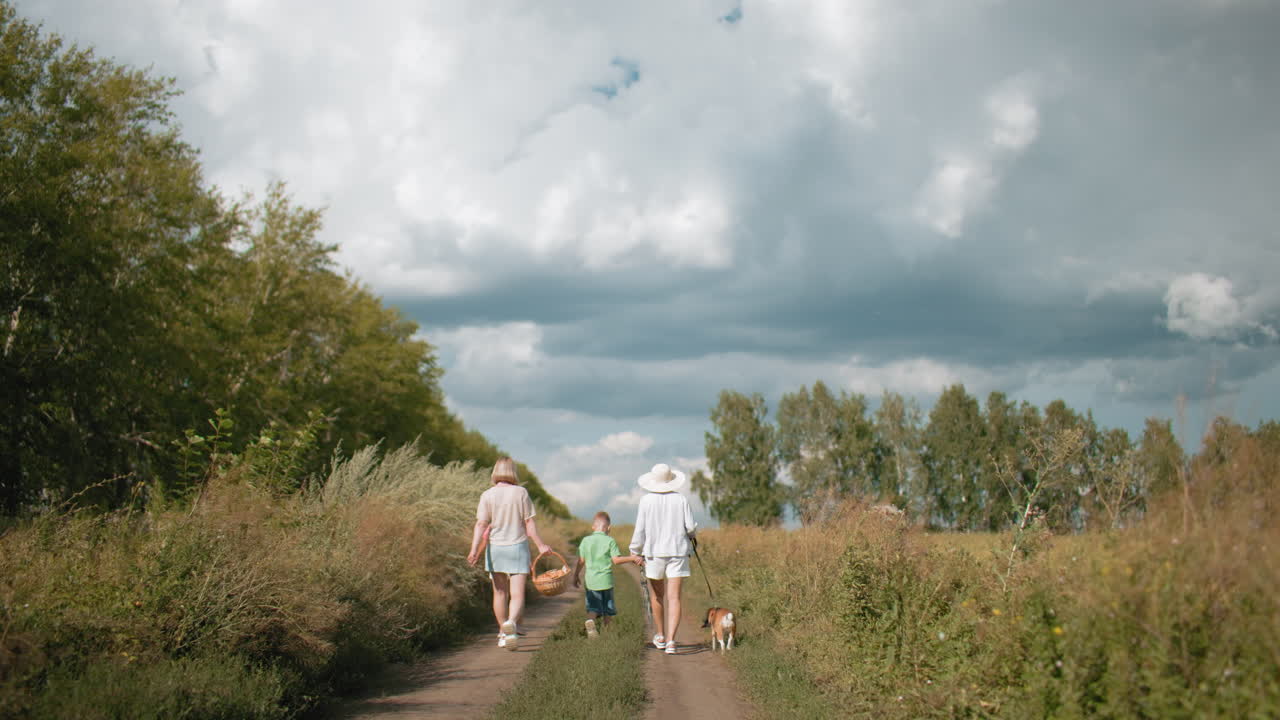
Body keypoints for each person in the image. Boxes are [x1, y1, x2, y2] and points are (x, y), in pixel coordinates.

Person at [467, 457, 552, 651]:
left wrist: (473, 550)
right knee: (517, 594)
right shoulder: (521, 493)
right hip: (517, 547)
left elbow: (480, 524)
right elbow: (529, 524)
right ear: (513, 472)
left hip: (495, 548)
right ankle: (512, 624)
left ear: (495, 471)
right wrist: (540, 545)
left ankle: (502, 632)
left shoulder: (487, 495)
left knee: (499, 593)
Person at [629, 463, 697, 655]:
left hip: (654, 553)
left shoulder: (646, 501)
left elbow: (640, 530)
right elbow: (690, 528)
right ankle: (672, 641)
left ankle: (660, 634)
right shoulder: (681, 499)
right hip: (677, 551)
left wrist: (635, 550)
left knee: (657, 596)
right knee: (674, 597)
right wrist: (691, 535)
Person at [572, 511, 643, 637]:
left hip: (591, 581)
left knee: (593, 607)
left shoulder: (585, 541)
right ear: (609, 528)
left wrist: (576, 575)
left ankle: (590, 621)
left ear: (593, 527)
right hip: (606, 581)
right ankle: (608, 633)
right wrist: (632, 558)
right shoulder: (610, 541)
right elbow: (616, 560)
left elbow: (581, 561)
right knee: (607, 610)